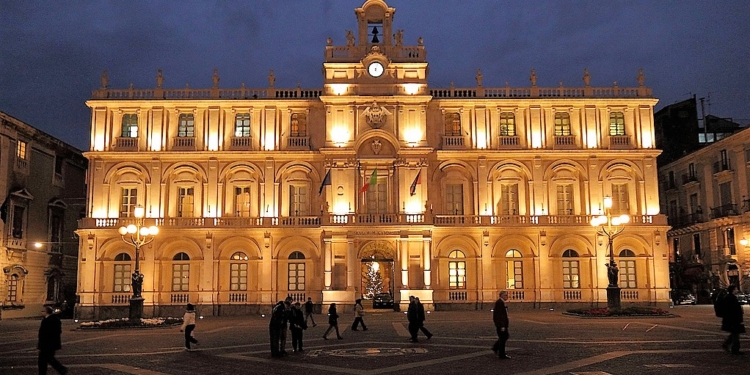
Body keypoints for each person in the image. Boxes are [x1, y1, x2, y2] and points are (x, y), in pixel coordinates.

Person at [38, 306, 68, 375]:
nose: (41, 312)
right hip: (48, 343)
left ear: (47, 312)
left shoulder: (51, 320)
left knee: (46, 359)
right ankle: (61, 369)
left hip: (48, 344)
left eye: (43, 311)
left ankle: (61, 369)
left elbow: (53, 332)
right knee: (47, 359)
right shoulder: (47, 319)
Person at [721, 285, 745, 355]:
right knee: (736, 334)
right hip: (733, 319)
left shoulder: (729, 297)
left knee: (734, 333)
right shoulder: (731, 298)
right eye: (736, 289)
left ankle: (727, 344)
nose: (737, 290)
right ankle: (735, 349)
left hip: (731, 319)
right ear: (733, 290)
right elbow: (733, 310)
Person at [492, 291, 511, 359]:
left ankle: (496, 348)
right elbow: (499, 315)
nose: (507, 296)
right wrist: (502, 325)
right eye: (505, 295)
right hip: (501, 324)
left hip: (502, 324)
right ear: (501, 296)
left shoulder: (501, 302)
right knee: (503, 338)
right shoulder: (499, 303)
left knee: (504, 337)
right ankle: (501, 354)